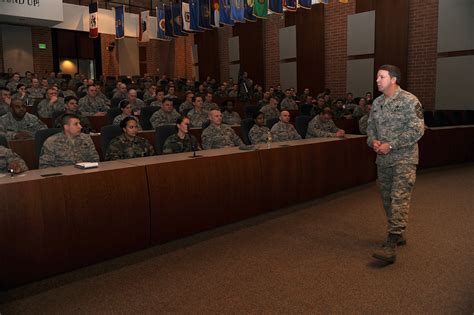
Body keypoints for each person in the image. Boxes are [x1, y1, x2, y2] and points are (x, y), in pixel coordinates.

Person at [367, 65, 425, 263]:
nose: (377, 80)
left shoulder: (410, 100)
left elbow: (417, 130)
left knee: (399, 197)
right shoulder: (377, 103)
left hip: (404, 159)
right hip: (383, 160)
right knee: (387, 199)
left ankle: (390, 245)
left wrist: (391, 145)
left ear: (393, 79)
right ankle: (398, 233)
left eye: (381, 77)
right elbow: (370, 127)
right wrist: (373, 141)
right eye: (377, 77)